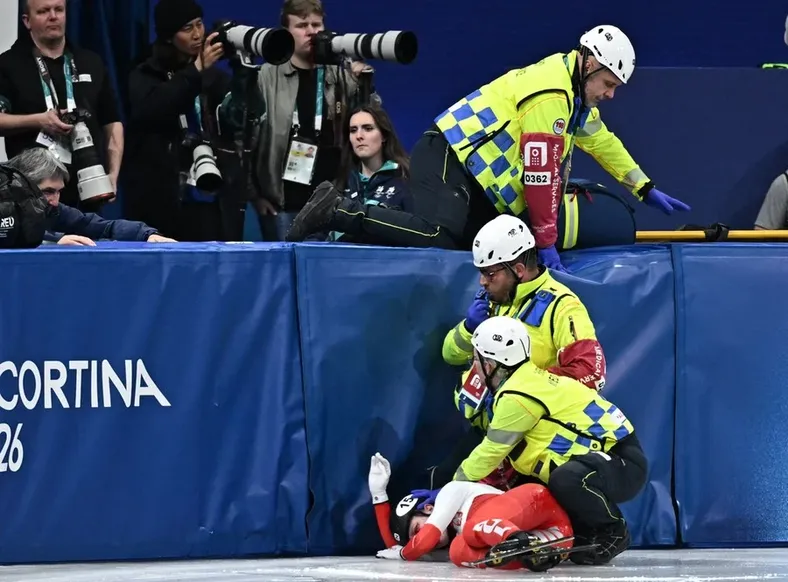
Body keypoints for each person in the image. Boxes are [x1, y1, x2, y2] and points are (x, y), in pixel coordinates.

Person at [284, 25, 690, 270]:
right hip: (449, 153)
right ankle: (336, 210)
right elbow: (540, 173)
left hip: (472, 175)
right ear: (589, 63)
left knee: (469, 247)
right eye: (609, 84)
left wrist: (644, 187)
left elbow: (601, 140)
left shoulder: (573, 95)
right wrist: (546, 243)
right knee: (440, 236)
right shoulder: (551, 93)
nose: (611, 94)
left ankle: (348, 229)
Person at [425, 214, 606, 491]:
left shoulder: (563, 306)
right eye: (481, 273)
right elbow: (451, 355)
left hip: (532, 438)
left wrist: (522, 388)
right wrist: (468, 327)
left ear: (519, 269)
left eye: (489, 273)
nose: (482, 282)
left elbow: (591, 374)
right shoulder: (493, 302)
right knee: (440, 486)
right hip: (489, 432)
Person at [452, 316, 647, 565]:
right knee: (537, 484)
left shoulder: (517, 395)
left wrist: (453, 487)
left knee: (565, 478)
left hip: (622, 462)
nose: (474, 367)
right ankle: (569, 534)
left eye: (475, 359)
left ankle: (614, 530)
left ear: (490, 364)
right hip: (607, 461)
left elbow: (491, 452)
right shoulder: (526, 380)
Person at [122, 0, 264, 241]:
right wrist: (195, 71)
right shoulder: (145, 73)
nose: (198, 34)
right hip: (163, 197)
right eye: (187, 29)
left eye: (199, 25)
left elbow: (241, 119)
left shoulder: (214, 78)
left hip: (212, 194)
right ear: (168, 36)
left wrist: (243, 73)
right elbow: (152, 109)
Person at [251, 0, 374, 241]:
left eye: (316, 24)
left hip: (333, 200)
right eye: (302, 25)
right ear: (286, 32)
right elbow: (248, 139)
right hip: (282, 204)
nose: (311, 31)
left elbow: (370, 125)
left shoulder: (339, 73)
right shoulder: (266, 75)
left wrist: (364, 85)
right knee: (285, 273)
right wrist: (255, 195)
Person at [0, 0, 124, 210]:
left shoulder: (90, 61)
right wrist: (39, 120)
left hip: (86, 189)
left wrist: (113, 174)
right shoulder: (8, 64)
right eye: (43, 11)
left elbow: (112, 121)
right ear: (27, 21)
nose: (53, 16)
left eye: (59, 9)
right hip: (32, 194)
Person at [368, 452, 573, 571]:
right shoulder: (446, 541)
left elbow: (419, 543)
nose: (420, 538)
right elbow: (395, 549)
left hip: (538, 506)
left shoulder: (451, 491)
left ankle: (518, 541)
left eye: (417, 529)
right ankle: (530, 554)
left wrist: (403, 554)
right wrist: (378, 494)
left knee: (469, 531)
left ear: (429, 509)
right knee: (457, 552)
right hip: (559, 540)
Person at [5, 147, 175, 245]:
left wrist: (146, 234)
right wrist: (54, 240)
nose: (55, 201)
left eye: (58, 192)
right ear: (22, 184)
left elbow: (100, 226)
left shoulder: (52, 209)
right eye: (48, 191)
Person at [315, 104, 411, 243]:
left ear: (384, 136)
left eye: (368, 128)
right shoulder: (338, 186)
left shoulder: (404, 181)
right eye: (353, 130)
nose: (359, 136)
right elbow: (316, 236)